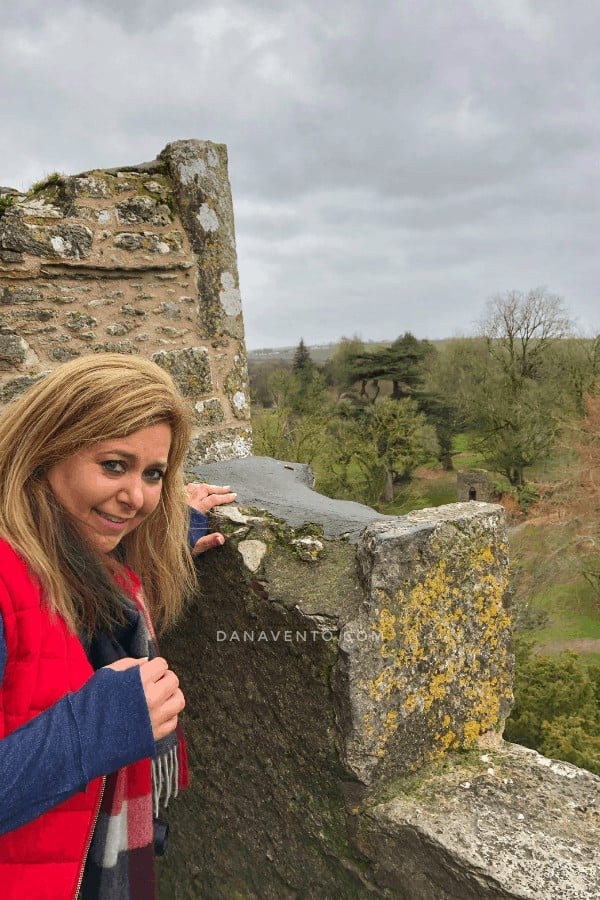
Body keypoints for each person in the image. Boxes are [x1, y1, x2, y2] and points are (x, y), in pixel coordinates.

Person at [0, 353, 235, 899]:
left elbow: (83, 610)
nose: (138, 498)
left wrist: (177, 532)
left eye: (153, 473)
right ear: (44, 451)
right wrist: (103, 721)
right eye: (113, 465)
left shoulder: (77, 560)